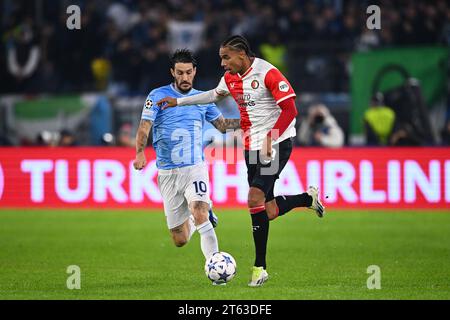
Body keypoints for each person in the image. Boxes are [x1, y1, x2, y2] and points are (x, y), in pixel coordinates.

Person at [157, 35, 325, 287]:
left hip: (277, 144)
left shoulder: (268, 73)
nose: (223, 63)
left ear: (242, 54)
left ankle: (260, 268)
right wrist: (178, 101)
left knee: (254, 198)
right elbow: (213, 96)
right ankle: (307, 199)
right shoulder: (230, 78)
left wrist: (272, 137)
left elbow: (290, 109)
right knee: (267, 210)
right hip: (252, 146)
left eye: (226, 57)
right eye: (221, 58)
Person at [133, 49, 240, 285]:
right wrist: (140, 152)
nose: (184, 77)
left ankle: (216, 267)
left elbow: (223, 126)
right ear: (172, 72)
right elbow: (144, 126)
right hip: (167, 173)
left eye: (188, 72)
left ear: (194, 72)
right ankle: (195, 219)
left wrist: (249, 120)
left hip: (195, 167)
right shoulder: (158, 95)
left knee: (199, 208)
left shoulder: (203, 99)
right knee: (179, 239)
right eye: (179, 72)